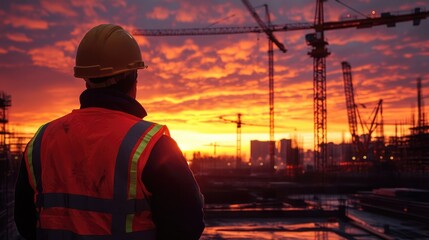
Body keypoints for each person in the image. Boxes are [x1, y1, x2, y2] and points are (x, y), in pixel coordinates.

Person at [14, 24, 205, 240]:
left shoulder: (42, 140)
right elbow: (187, 226)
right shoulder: (152, 146)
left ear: (86, 79)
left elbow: (25, 220)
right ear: (133, 76)